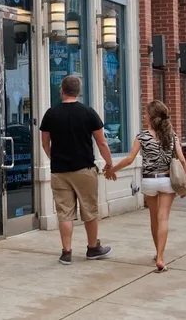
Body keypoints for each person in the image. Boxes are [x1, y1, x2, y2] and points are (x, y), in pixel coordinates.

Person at [40, 75, 115, 265]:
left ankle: (66, 252)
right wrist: (109, 163)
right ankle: (92, 248)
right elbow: (101, 142)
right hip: (84, 169)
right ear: (78, 91)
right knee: (89, 209)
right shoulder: (88, 112)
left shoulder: (51, 113)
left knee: (64, 212)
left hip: (59, 171)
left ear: (61, 90)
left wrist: (54, 158)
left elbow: (45, 143)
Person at [106, 100, 186, 273]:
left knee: (153, 218)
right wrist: (184, 182)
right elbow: (182, 160)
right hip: (167, 181)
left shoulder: (142, 136)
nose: (144, 116)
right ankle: (160, 257)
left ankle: (157, 251)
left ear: (151, 116)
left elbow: (129, 159)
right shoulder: (172, 135)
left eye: (145, 113)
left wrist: (112, 170)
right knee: (163, 218)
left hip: (149, 181)